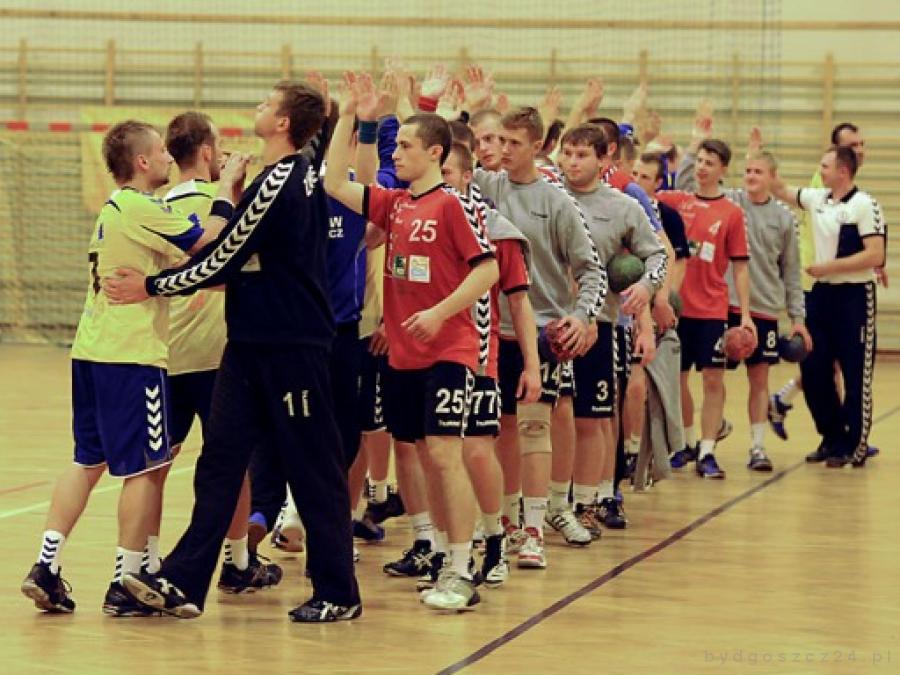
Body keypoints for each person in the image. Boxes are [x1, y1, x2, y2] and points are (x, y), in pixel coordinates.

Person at [104, 82, 362, 623]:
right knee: (220, 461)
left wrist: (151, 286)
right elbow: (248, 256)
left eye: (268, 104)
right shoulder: (274, 179)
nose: (257, 108)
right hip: (248, 346)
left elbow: (223, 255)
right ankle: (183, 580)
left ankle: (338, 591)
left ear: (284, 123)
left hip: (291, 347)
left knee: (313, 467)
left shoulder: (283, 179)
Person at [21, 120, 231, 615]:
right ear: (141, 161)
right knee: (146, 468)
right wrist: (226, 191)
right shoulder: (141, 206)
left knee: (86, 461)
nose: (167, 158)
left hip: (90, 350)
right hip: (130, 356)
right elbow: (207, 241)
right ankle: (127, 579)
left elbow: (175, 264)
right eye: (160, 152)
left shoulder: (115, 209)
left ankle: (46, 566)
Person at [325, 72, 498, 611]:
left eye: (404, 146)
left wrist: (440, 312)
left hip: (448, 349)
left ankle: (462, 569)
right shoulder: (396, 204)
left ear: (434, 153)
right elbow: (336, 185)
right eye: (395, 145)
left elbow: (488, 269)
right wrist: (351, 117)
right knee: (420, 456)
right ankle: (442, 554)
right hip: (402, 354)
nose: (395, 153)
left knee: (444, 454)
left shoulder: (451, 205)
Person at [473, 106, 605, 568]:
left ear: (537, 147)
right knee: (500, 429)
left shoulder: (558, 202)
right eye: (499, 141)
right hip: (491, 331)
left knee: (534, 427)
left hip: (542, 331)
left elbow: (592, 271)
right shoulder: (483, 186)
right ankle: (507, 522)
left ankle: (534, 529)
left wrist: (582, 317)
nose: (503, 150)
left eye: (513, 143)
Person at [163, 111, 282, 590]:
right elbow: (234, 263)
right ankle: (237, 563)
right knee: (233, 464)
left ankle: (137, 564)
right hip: (216, 358)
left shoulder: (159, 204)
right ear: (208, 152)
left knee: (153, 469)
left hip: (165, 354)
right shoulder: (223, 205)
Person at [676, 129, 810, 471]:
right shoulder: (731, 202)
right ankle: (705, 435)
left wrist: (797, 318)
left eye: (758, 172)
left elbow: (792, 272)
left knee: (757, 378)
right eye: (748, 170)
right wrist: (696, 143)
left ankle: (757, 446)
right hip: (723, 308)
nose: (751, 176)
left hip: (761, 307)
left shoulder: (783, 218)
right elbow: (693, 183)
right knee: (706, 377)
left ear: (772, 178)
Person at [441, 140, 541, 587]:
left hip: (480, 356)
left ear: (468, 177)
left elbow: (519, 304)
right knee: (436, 454)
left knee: (476, 449)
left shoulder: (497, 231)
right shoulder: (416, 218)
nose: (442, 182)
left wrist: (532, 365)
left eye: (448, 173)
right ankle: (444, 550)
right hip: (427, 356)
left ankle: (495, 539)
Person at [558, 124, 664, 533]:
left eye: (582, 154)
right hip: (548, 323)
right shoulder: (547, 195)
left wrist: (646, 287)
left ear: (604, 160)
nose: (572, 162)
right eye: (567, 153)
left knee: (592, 417)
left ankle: (590, 502)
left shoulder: (623, 206)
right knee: (547, 419)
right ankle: (545, 504)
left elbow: (657, 256)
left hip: (597, 325)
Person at [771, 146, 885, 467]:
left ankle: (855, 445)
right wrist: (757, 157)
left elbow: (875, 254)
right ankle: (832, 437)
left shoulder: (865, 205)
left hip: (854, 297)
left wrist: (830, 267)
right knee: (813, 367)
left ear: (842, 171)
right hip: (821, 295)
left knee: (855, 374)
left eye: (824, 166)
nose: (819, 171)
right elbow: (780, 189)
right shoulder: (817, 199)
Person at [659, 138, 754, 479]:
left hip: (712, 310)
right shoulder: (676, 202)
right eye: (698, 161)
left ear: (723, 169)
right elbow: (639, 191)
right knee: (678, 379)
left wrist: (745, 314)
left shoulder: (732, 213)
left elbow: (740, 267)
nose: (701, 167)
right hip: (677, 308)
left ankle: (708, 450)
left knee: (713, 379)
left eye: (709, 163)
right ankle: (686, 443)